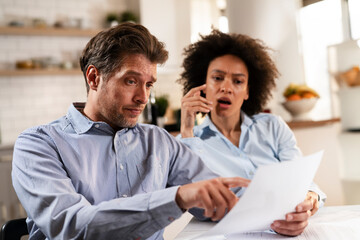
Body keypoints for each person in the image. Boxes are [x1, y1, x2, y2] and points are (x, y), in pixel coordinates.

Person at [11, 23, 250, 240]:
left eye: (148, 84)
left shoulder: (159, 141)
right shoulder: (39, 144)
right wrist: (177, 198)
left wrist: (282, 211)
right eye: (131, 81)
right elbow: (72, 226)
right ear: (94, 78)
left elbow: (221, 199)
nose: (143, 98)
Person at [177, 29, 326, 237]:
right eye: (217, 78)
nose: (226, 88)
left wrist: (310, 199)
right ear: (202, 85)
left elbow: (300, 178)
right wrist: (186, 130)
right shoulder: (187, 142)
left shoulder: (272, 127)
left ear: (248, 91)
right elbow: (198, 206)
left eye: (238, 81)